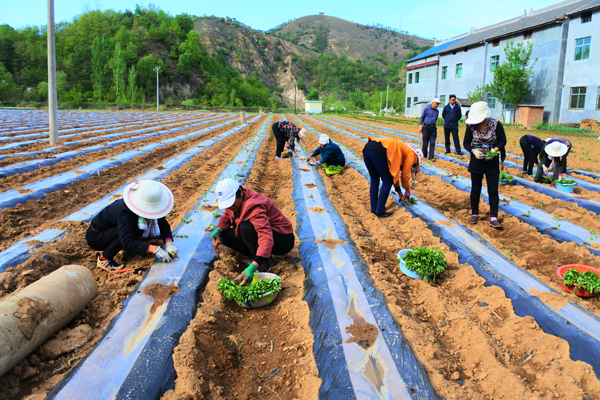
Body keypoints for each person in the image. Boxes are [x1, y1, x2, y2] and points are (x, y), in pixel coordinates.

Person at [210, 179, 294, 286]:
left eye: (231, 203)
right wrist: (218, 229)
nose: (230, 207)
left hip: (282, 239)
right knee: (225, 236)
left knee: (245, 227)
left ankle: (263, 265)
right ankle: (260, 257)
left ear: (240, 192)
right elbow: (226, 216)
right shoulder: (234, 204)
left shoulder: (253, 206)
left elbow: (266, 237)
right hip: (267, 237)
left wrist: (253, 267)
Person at [86, 180, 177, 272]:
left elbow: (163, 224)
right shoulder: (126, 213)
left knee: (136, 229)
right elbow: (127, 241)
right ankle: (104, 258)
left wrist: (169, 243)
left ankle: (120, 246)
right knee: (134, 230)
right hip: (96, 237)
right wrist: (156, 249)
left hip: (113, 229)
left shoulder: (144, 206)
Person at [463, 101, 506, 229]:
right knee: (475, 189)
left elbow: (503, 140)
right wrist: (474, 151)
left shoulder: (496, 124)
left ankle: (493, 217)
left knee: (493, 190)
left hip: (491, 161)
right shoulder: (471, 126)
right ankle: (474, 214)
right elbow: (466, 143)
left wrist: (495, 150)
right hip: (476, 161)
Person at [362, 137, 423, 218]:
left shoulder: (403, 151)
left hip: (367, 148)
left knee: (374, 179)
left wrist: (399, 192)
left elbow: (395, 173)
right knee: (387, 181)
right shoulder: (412, 155)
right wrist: (407, 189)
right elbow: (404, 175)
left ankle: (374, 208)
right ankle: (379, 211)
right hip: (378, 150)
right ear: (418, 162)